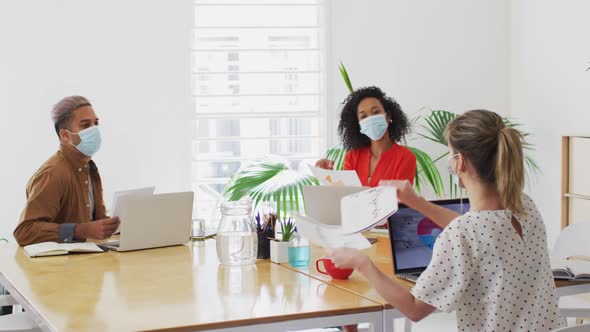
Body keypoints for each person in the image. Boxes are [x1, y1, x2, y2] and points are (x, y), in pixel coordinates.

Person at [328, 110, 563, 331]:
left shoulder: (464, 233)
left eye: (450, 154)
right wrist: (416, 201)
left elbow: (414, 308)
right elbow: (478, 229)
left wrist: (362, 263)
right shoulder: (525, 206)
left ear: (459, 162)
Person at [14, 96, 119, 246]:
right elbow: (25, 232)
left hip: (88, 262)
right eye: (85, 125)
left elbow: (93, 223)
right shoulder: (53, 173)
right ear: (65, 135)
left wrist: (117, 225)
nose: (94, 129)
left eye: (96, 123)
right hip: (58, 267)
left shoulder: (90, 168)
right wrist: (80, 230)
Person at [316, 86, 416, 186]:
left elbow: (398, 197)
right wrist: (328, 176)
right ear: (359, 124)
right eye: (363, 116)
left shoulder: (405, 157)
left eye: (376, 112)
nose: (371, 119)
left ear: (388, 116)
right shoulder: (353, 157)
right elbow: (346, 194)